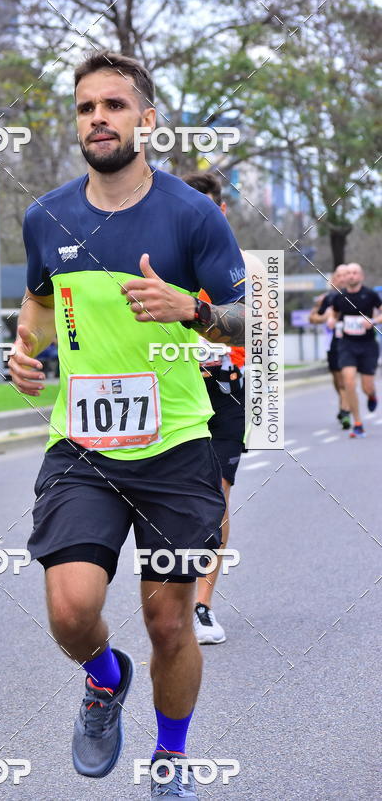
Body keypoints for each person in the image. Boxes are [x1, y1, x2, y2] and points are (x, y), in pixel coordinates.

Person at [9, 50, 246, 799]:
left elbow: (254, 318)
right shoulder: (45, 215)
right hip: (82, 445)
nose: (99, 119)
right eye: (86, 108)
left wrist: (195, 310)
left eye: (115, 105)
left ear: (147, 120)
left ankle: (170, 760)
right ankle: (105, 677)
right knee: (72, 607)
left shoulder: (190, 213)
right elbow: (42, 302)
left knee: (169, 620)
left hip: (175, 443)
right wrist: (24, 353)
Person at [183, 172, 245, 646]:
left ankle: (202, 605)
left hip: (225, 390)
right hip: (169, 389)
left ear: (220, 212)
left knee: (216, 495)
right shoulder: (158, 258)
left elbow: (253, 330)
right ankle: (171, 596)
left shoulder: (239, 265)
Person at [331, 263, 382, 438]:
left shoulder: (370, 295)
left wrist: (374, 321)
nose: (351, 276)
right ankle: (358, 423)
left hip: (368, 345)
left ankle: (372, 394)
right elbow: (334, 314)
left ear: (361, 276)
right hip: (347, 345)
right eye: (349, 273)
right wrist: (331, 320)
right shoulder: (340, 297)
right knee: (349, 381)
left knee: (367, 386)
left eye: (355, 273)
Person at [309, 264, 350, 428]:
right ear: (334, 279)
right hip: (333, 342)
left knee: (347, 377)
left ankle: (345, 410)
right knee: (338, 379)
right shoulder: (328, 298)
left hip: (352, 342)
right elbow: (313, 318)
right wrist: (324, 317)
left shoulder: (357, 296)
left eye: (344, 275)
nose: (341, 279)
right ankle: (344, 404)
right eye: (338, 276)